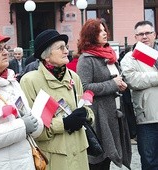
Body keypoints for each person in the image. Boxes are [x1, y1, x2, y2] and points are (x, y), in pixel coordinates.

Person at [20, 29, 94, 170]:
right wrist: (64, 124)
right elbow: (32, 128)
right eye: (60, 48)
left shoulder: (73, 77)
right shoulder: (30, 81)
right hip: (53, 157)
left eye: (66, 47)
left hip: (79, 152)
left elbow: (85, 107)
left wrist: (87, 115)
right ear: (46, 56)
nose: (66, 51)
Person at [76, 19, 131, 170]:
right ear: (91, 35)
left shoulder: (110, 55)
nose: (105, 33)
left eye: (104, 29)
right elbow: (84, 87)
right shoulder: (86, 59)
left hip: (115, 114)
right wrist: (112, 85)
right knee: (99, 160)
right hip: (99, 116)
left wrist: (122, 84)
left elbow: (116, 78)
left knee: (108, 159)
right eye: (100, 31)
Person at [0, 29, 39, 170]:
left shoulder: (12, 81)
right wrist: (22, 126)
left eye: (5, 48)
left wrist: (36, 123)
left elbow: (26, 113)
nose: (5, 52)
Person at [120, 20, 158, 170]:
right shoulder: (130, 58)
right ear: (135, 37)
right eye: (140, 34)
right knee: (150, 163)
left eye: (148, 33)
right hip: (147, 119)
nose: (145, 36)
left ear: (154, 35)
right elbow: (134, 80)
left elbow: (142, 78)